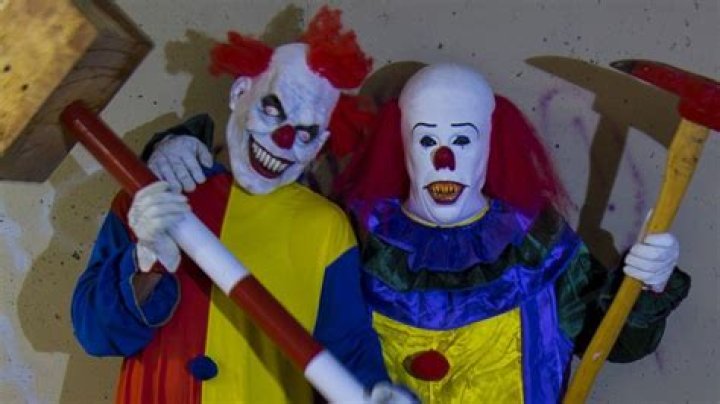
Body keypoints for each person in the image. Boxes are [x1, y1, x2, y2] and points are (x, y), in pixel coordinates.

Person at [71, 7, 412, 403]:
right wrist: (146, 262)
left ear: (319, 145)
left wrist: (376, 396)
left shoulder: (326, 228)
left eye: (305, 133)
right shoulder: (155, 196)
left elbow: (349, 353)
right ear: (239, 93)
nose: (284, 139)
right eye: (273, 109)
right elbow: (94, 334)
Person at [333, 63, 690, 403]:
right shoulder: (361, 239)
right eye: (427, 141)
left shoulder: (536, 244)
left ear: (489, 144)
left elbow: (611, 341)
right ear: (402, 144)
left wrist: (646, 285)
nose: (445, 161)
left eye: (462, 140)